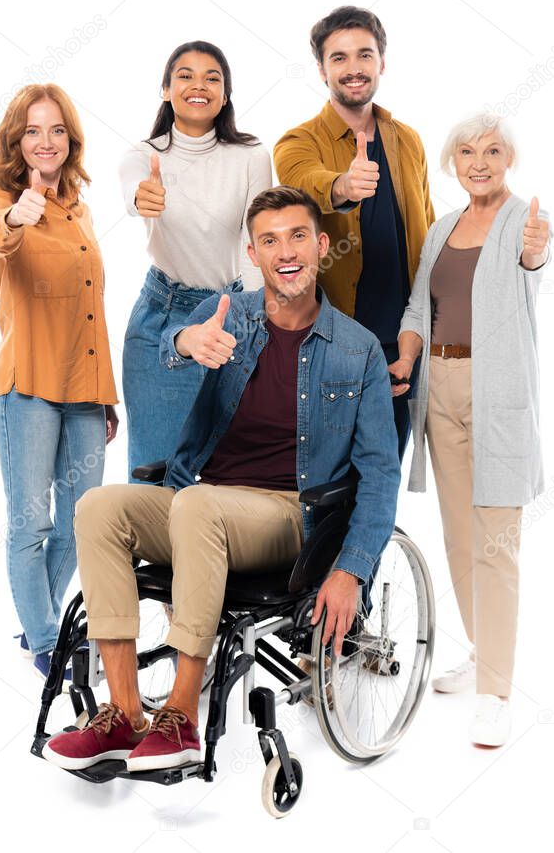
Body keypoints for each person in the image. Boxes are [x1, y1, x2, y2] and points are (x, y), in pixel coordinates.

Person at [42, 186, 400, 773]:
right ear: (252, 254)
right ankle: (124, 713)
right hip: (201, 504)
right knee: (99, 506)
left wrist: (352, 568)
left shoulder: (357, 351)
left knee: (196, 506)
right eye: (269, 240)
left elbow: (381, 473)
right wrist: (187, 339)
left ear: (321, 245)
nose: (285, 251)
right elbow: (167, 342)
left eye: (298, 236)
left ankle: (180, 716)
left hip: (288, 516)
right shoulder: (229, 312)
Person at [388, 113, 552, 747]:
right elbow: (415, 306)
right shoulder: (440, 230)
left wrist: (536, 251)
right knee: (459, 537)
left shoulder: (524, 221)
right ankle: (483, 652)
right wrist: (405, 355)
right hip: (440, 388)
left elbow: (534, 258)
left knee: (496, 540)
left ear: (508, 157)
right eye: (465, 152)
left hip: (498, 391)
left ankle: (496, 691)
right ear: (451, 162)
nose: (478, 162)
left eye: (490, 151)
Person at [0, 84, 119, 682]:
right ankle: (44, 641)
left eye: (57, 130)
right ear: (17, 141)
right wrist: (18, 214)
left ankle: (37, 620)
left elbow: (94, 310)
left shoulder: (81, 211)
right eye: (33, 131)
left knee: (80, 524)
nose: (46, 141)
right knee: (30, 525)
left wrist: (107, 396)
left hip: (84, 393)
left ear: (71, 140)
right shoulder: (1, 202)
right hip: (28, 389)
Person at [274, 5, 435, 460]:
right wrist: (344, 186)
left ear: (381, 63)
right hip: (333, 338)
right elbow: (303, 180)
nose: (353, 68)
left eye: (364, 55)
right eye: (339, 58)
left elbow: (427, 223)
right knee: (326, 470)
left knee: (385, 466)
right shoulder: (296, 141)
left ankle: (372, 535)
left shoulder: (407, 140)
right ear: (322, 69)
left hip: (404, 338)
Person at [119, 41, 272, 482]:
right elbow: (134, 190)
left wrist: (254, 325)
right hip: (161, 316)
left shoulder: (251, 156)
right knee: (154, 477)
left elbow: (255, 243)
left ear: (225, 95)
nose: (198, 85)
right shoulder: (144, 156)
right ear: (166, 89)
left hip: (230, 315)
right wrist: (141, 197)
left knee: (221, 478)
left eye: (212, 77)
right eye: (185, 75)